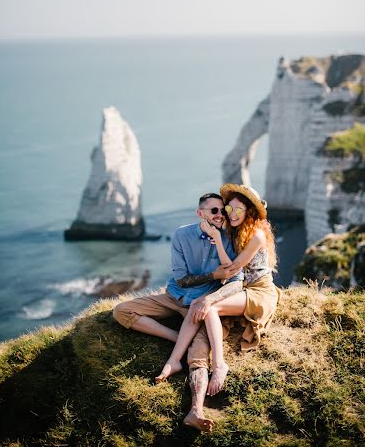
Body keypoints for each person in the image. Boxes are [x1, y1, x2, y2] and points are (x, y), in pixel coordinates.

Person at [113, 192, 244, 431]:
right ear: (200, 213)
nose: (220, 215)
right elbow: (182, 280)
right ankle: (177, 339)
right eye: (214, 210)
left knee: (199, 356)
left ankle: (196, 411)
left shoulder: (229, 239)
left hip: (201, 304)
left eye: (223, 211)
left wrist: (211, 299)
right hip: (175, 297)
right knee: (121, 311)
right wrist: (214, 275)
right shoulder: (181, 235)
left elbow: (237, 280)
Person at [156, 184, 281, 398]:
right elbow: (228, 271)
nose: (230, 214)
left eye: (237, 210)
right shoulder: (236, 231)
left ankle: (220, 364)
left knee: (209, 307)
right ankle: (174, 360)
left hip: (259, 293)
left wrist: (217, 241)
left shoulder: (257, 235)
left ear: (249, 211)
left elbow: (232, 268)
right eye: (228, 209)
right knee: (198, 304)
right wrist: (219, 240)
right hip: (242, 289)